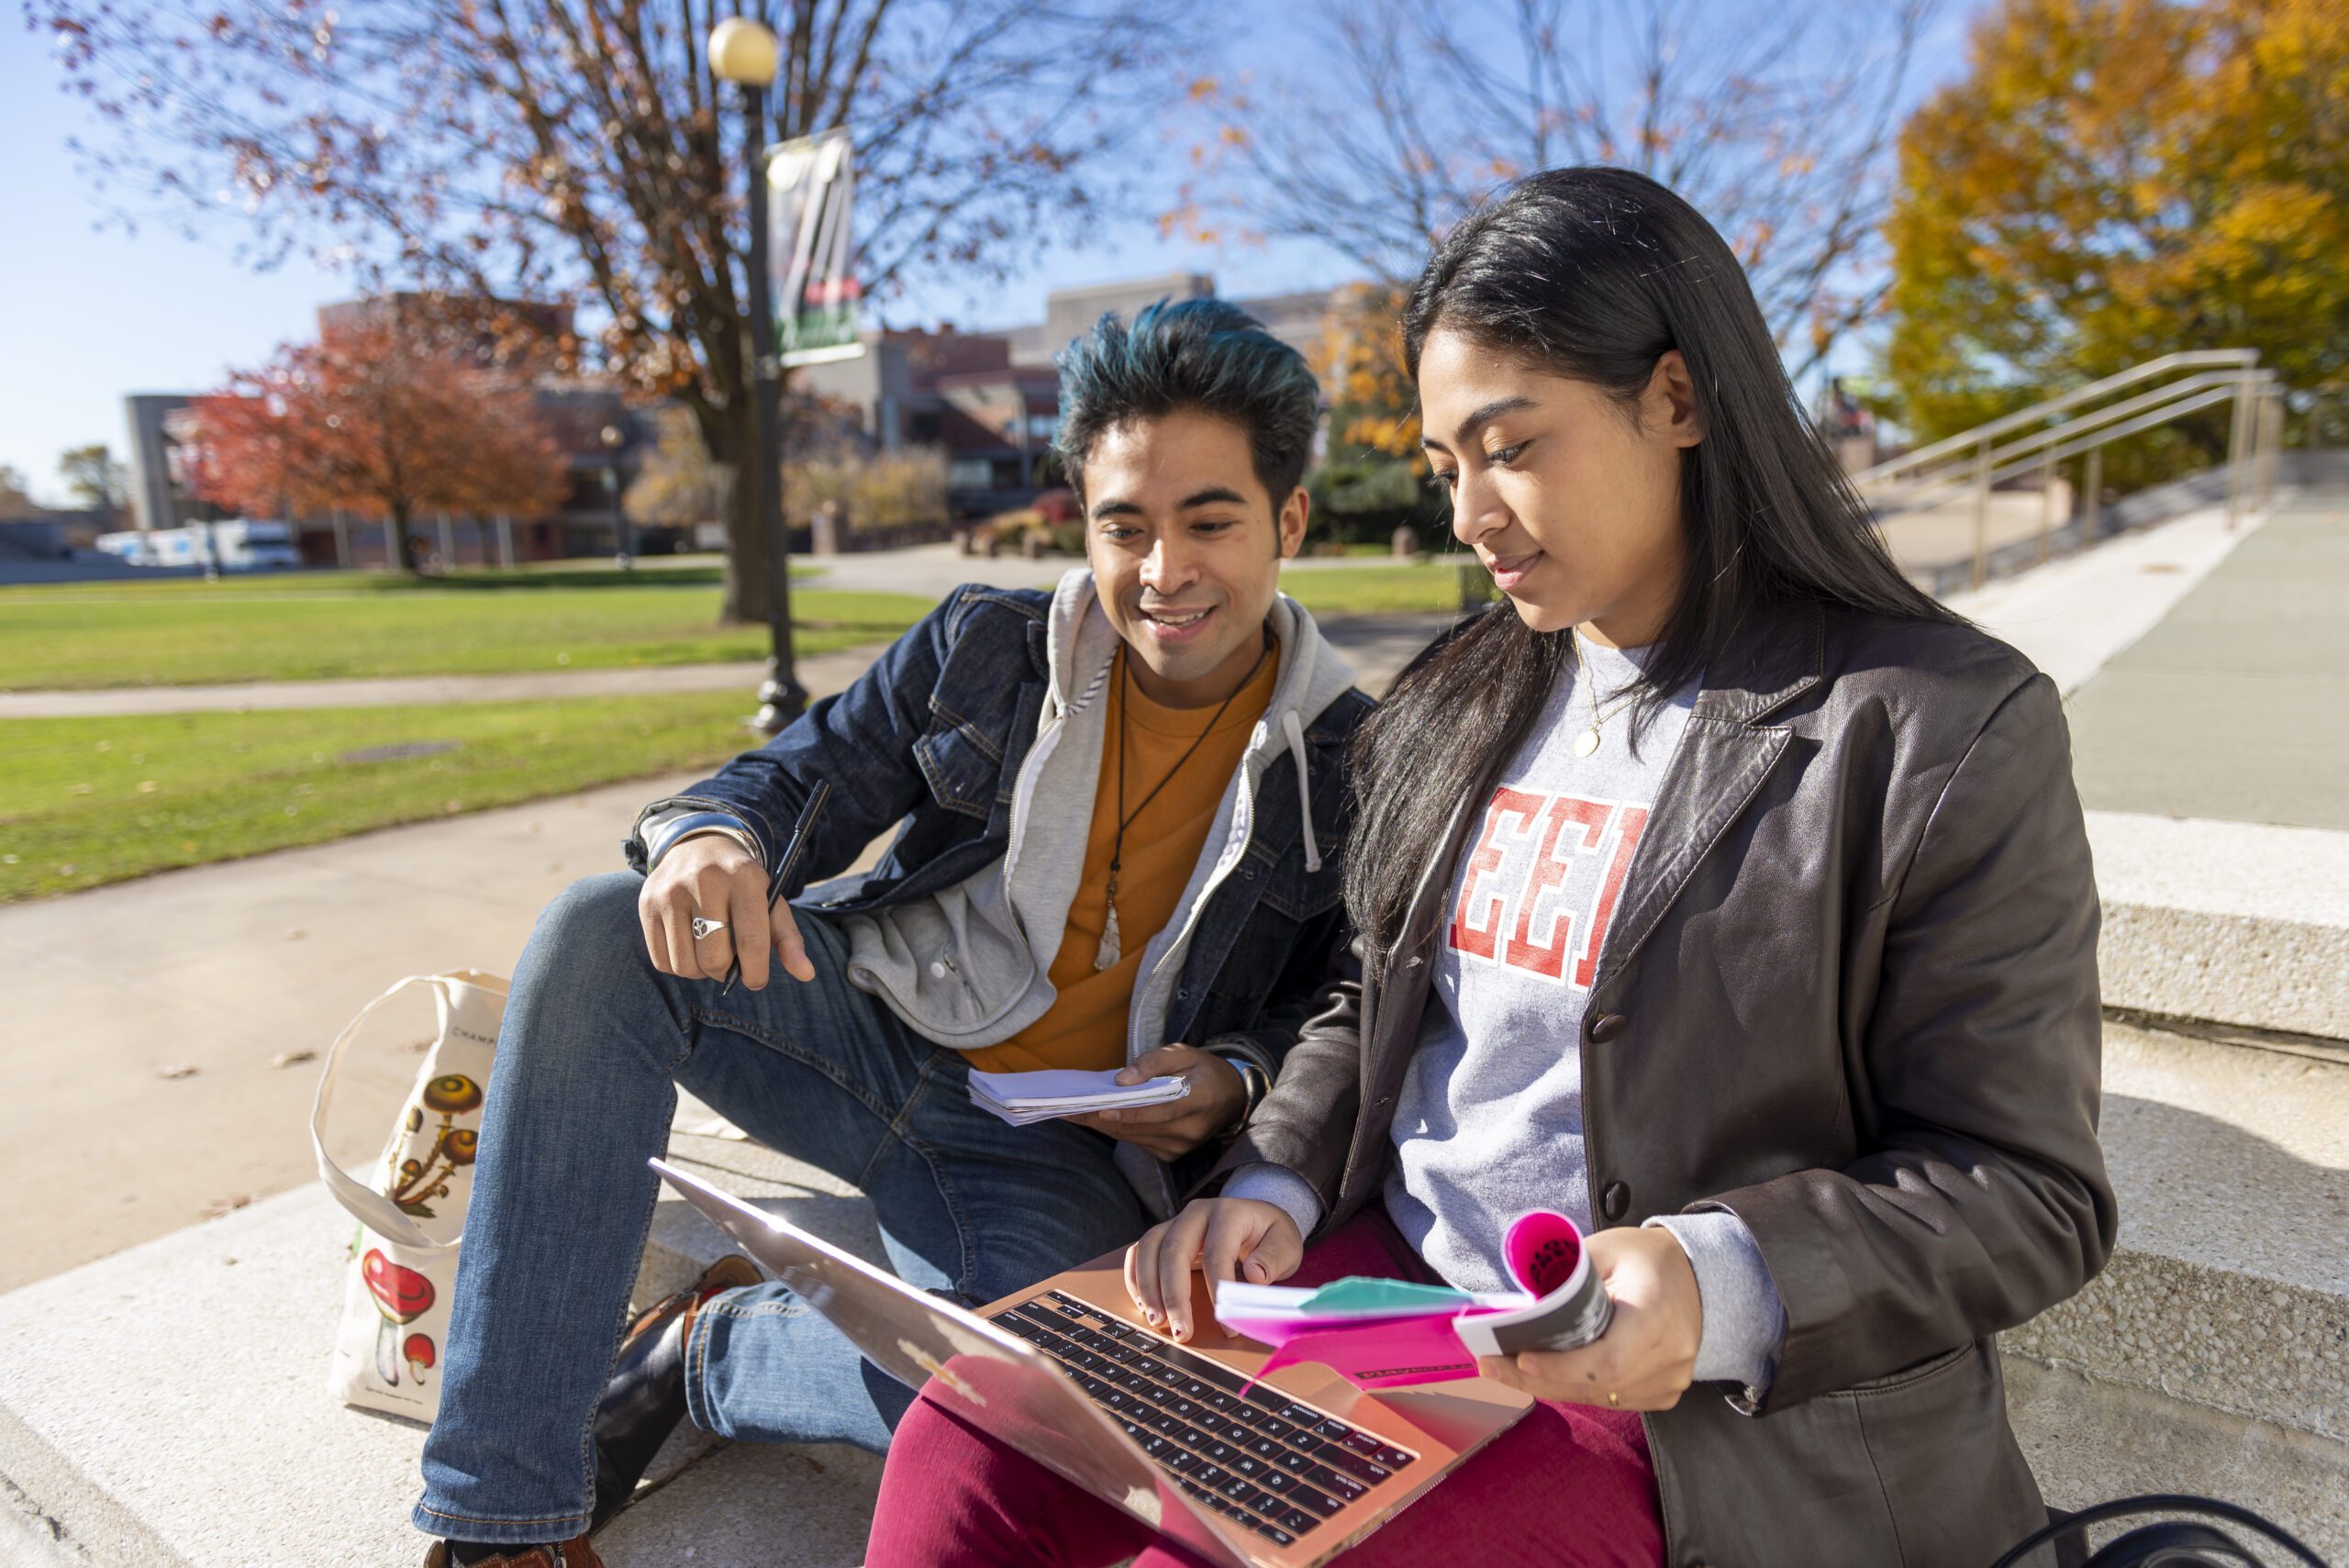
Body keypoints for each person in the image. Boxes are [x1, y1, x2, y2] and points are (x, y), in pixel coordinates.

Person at [864, 168, 2115, 1568]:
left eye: (1510, 446)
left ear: (1680, 400)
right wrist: (1268, 1189)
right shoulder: (1455, 699)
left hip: (1667, 1412)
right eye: (1446, 466)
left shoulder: (1936, 725)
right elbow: (1375, 999)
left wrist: (1720, 1278)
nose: (1468, 514)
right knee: (968, 1429)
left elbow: (2026, 1186)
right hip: (1373, 1296)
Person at [413, 298, 1375, 1567]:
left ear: (1287, 522)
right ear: (1081, 521)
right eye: (1123, 526)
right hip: (873, 1022)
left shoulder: (1353, 757)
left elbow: (1340, 994)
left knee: (1040, 1395)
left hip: (1070, 1157)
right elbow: (805, 772)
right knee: (601, 929)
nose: (1162, 572)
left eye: (1210, 521)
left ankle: (716, 1346)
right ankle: (497, 1523)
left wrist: (1232, 1078)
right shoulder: (990, 644)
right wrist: (715, 837)